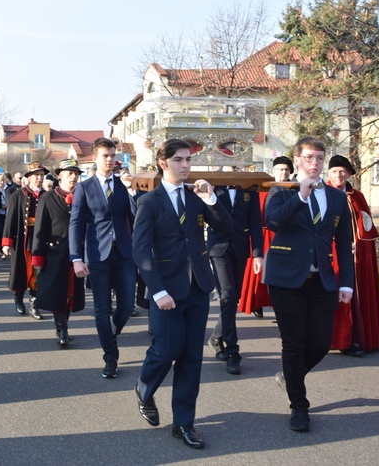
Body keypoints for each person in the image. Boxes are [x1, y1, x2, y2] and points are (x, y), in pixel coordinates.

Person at [132, 139, 231, 450]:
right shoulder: (150, 202)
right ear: (164, 163)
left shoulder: (195, 197)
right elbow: (140, 250)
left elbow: (225, 227)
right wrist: (157, 290)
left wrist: (211, 198)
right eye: (179, 160)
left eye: (188, 159)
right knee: (165, 350)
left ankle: (184, 424)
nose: (186, 165)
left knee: (191, 359)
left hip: (198, 287)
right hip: (166, 290)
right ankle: (144, 388)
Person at [263, 137, 354, 432]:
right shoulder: (281, 189)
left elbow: (343, 244)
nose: (315, 163)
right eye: (309, 158)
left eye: (319, 157)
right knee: (294, 343)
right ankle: (299, 406)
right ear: (298, 160)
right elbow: (273, 221)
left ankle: (290, 377)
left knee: (320, 343)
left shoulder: (337, 197)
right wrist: (299, 197)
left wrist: (347, 284)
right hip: (286, 278)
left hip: (322, 280)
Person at [69, 138, 136, 378]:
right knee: (102, 308)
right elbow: (75, 223)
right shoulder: (84, 188)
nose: (110, 159)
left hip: (124, 252)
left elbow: (136, 215)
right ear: (95, 159)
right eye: (105, 156)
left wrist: (131, 191)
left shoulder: (122, 184)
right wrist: (76, 257)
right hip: (98, 255)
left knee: (127, 306)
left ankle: (111, 333)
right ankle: (110, 356)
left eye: (112, 155)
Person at [327, 155, 379, 355]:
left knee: (356, 295)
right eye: (335, 171)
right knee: (336, 295)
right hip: (332, 254)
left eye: (343, 171)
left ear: (349, 174)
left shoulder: (357, 196)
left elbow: (366, 227)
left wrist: (359, 245)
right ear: (328, 174)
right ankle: (340, 339)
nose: (339, 175)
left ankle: (359, 338)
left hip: (356, 255)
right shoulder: (322, 193)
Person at [206, 174, 264, 375]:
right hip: (218, 248)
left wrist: (258, 254)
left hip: (240, 248)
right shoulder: (214, 186)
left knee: (234, 298)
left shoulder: (249, 190)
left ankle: (216, 335)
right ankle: (232, 351)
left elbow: (256, 223)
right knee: (228, 296)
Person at [31, 159, 86, 347]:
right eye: (70, 173)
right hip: (54, 252)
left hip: (77, 253)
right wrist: (37, 256)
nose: (74, 177)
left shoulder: (83, 194)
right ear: (60, 175)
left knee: (71, 293)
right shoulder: (48, 198)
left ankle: (65, 324)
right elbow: (40, 227)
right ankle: (61, 327)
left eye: (76, 173)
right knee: (57, 293)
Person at [239, 156, 294, 317]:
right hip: (261, 235)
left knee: (279, 274)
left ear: (290, 171)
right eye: (279, 169)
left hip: (282, 236)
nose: (283, 172)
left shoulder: (294, 189)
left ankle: (279, 306)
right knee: (257, 273)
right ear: (273, 171)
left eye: (286, 169)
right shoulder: (263, 188)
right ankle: (256, 303)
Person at [2, 162, 48, 319]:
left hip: (40, 240)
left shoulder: (47, 195)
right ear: (29, 177)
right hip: (22, 238)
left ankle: (34, 306)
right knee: (22, 271)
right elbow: (10, 219)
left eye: (42, 175)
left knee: (37, 273)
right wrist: (7, 243)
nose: (39, 178)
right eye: (36, 175)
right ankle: (18, 298)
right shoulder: (18, 195)